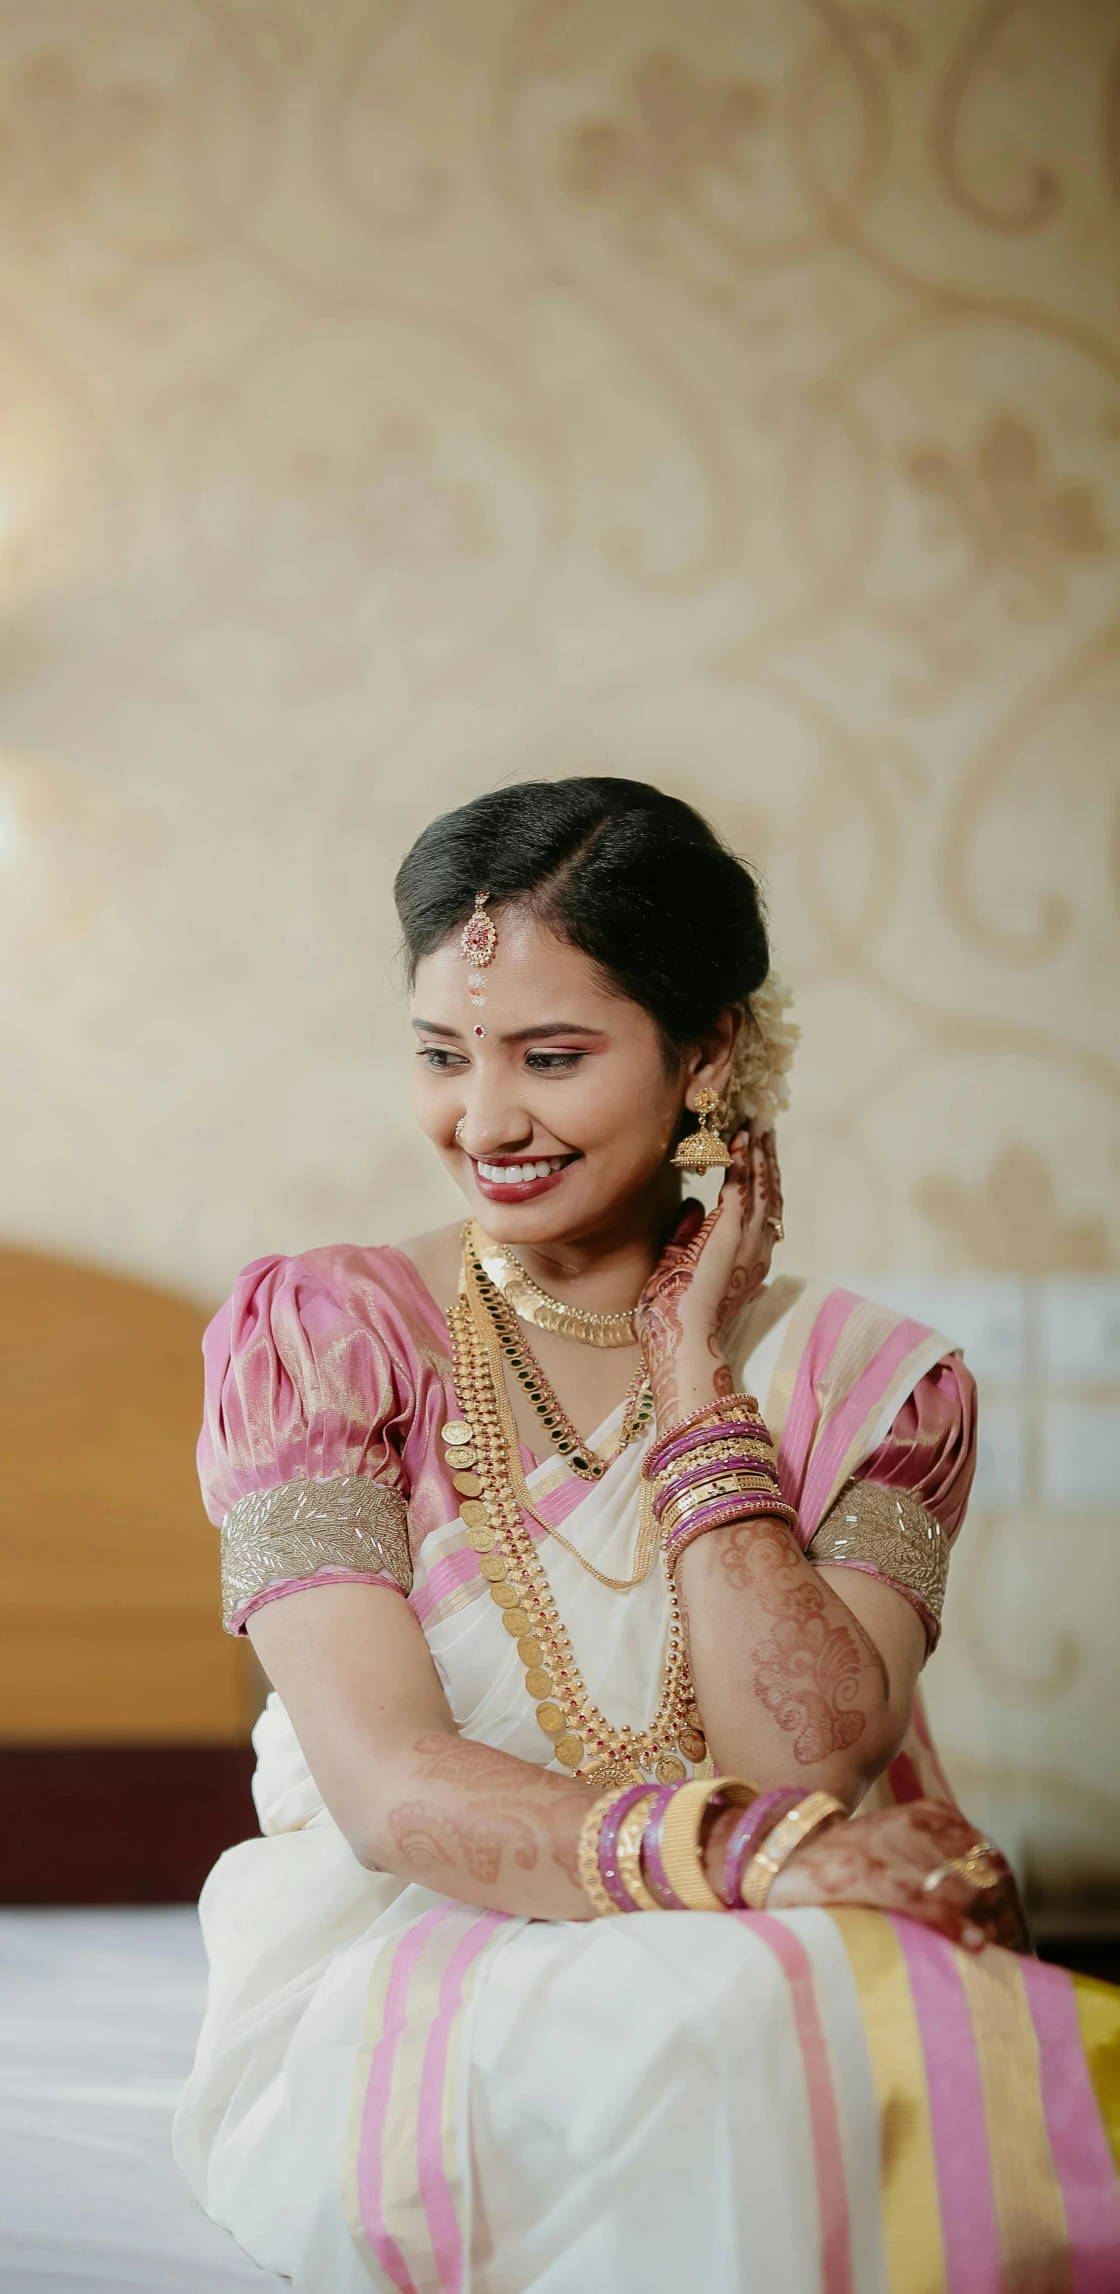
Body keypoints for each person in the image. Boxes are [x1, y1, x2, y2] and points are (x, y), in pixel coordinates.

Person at [174, 777, 1120, 2293]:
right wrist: (762, 1855)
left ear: (708, 1051)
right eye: (440, 1054)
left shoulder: (879, 1386)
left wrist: (695, 1383)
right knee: (742, 2029)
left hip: (776, 1922)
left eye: (551, 1056)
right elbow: (384, 1793)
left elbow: (803, 1753)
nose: (483, 1120)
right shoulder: (327, 1341)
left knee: (901, 2035)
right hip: (414, 1946)